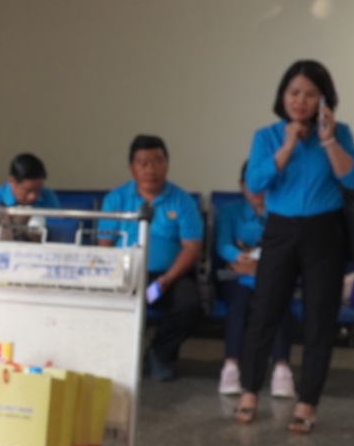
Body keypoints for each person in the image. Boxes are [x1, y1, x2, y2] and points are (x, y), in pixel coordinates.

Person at [233, 60, 354, 434]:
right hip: (280, 231)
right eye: (294, 93)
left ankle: (307, 403)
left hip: (325, 233)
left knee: (319, 319)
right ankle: (249, 392)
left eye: (310, 94)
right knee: (264, 313)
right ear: (282, 97)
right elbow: (256, 182)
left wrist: (328, 140)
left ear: (324, 99)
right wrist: (288, 144)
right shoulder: (267, 135)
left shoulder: (341, 133)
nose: (300, 101)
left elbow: (353, 177)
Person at [97, 135, 204, 381]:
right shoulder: (116, 199)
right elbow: (105, 246)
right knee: (106, 302)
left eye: (157, 162)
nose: (151, 169)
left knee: (190, 305)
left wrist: (166, 279)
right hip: (127, 271)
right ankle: (116, 358)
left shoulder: (182, 200)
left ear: (167, 163)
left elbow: (191, 247)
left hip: (170, 275)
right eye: (143, 163)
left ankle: (159, 353)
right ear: (131, 167)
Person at [214, 161, 296, 397]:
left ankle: (281, 368)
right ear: (242, 186)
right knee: (239, 302)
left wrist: (259, 258)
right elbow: (223, 245)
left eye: (264, 185)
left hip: (271, 274)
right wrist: (239, 255)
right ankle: (231, 366)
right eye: (252, 185)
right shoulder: (230, 210)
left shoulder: (282, 210)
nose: (258, 191)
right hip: (236, 275)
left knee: (277, 301)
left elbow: (285, 247)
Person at [0, 153, 60, 240]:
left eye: (38, 189)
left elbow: (59, 230)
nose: (33, 196)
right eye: (28, 191)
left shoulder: (49, 197)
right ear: (11, 181)